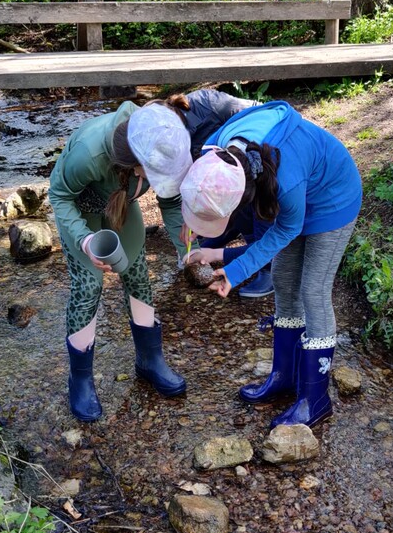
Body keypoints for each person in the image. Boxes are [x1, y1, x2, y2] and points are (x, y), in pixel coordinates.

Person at [182, 100, 362, 428]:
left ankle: (315, 400)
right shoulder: (219, 152)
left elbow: (283, 231)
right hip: (297, 192)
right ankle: (284, 377)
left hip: (333, 199)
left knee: (312, 290)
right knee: (282, 276)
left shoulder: (285, 178)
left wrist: (234, 272)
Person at [48, 101, 188, 422]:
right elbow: (59, 195)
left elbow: (171, 202)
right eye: (150, 172)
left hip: (119, 203)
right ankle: (80, 379)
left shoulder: (160, 142)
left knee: (138, 275)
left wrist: (187, 249)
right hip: (79, 208)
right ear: (132, 162)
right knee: (89, 287)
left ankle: (150, 360)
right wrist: (85, 240)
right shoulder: (89, 154)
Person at [119, 90, 275, 297]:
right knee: (206, 238)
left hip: (257, 170)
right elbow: (188, 185)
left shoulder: (211, 105)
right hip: (221, 184)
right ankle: (231, 234)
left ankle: (267, 267)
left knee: (252, 210)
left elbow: (262, 117)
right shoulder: (167, 144)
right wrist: (191, 218)